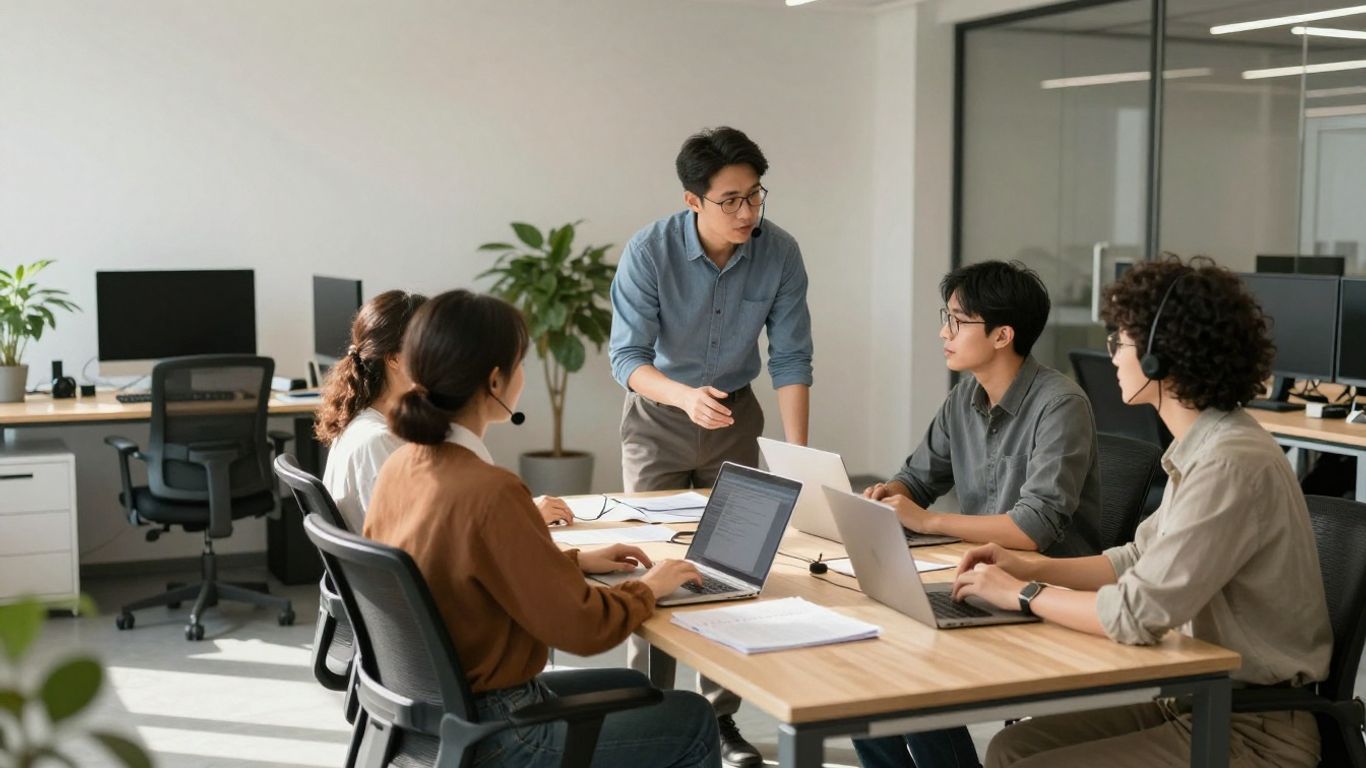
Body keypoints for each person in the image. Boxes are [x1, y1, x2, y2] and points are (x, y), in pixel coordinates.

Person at [954, 256, 1331, 768]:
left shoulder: (1230, 463)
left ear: (1160, 357)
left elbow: (1135, 613)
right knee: (1010, 748)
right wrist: (1027, 564)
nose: (1112, 357)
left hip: (1254, 730)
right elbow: (1134, 560)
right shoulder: (1202, 446)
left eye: (1121, 342)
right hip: (1191, 698)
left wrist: (1024, 594)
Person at [363, 289, 719, 768]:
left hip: (432, 715)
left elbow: (466, 569)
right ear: (495, 380)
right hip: (499, 729)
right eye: (521, 363)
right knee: (692, 718)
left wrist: (571, 561)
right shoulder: (490, 490)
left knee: (638, 689)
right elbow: (583, 628)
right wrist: (647, 588)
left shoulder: (400, 464)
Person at [608, 125, 814, 766]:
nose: (748, 212)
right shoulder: (650, 251)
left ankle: (718, 720)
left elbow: (791, 357)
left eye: (756, 196)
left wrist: (797, 458)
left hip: (736, 418)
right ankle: (651, 712)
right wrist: (682, 397)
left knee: (731, 568)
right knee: (654, 566)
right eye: (731, 200)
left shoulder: (779, 253)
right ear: (693, 200)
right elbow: (627, 358)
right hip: (658, 418)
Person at [854, 260, 1102, 768]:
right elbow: (919, 480)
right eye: (944, 317)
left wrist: (929, 521)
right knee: (860, 664)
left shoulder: (1060, 405)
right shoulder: (963, 399)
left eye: (957, 321)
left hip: (1046, 596)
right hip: (977, 579)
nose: (943, 332)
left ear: (1001, 335)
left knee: (912, 668)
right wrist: (888, 496)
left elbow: (1033, 528)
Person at [318, 289, 572, 531]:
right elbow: (428, 539)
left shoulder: (370, 425)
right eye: (428, 347)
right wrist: (520, 518)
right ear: (394, 359)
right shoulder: (379, 442)